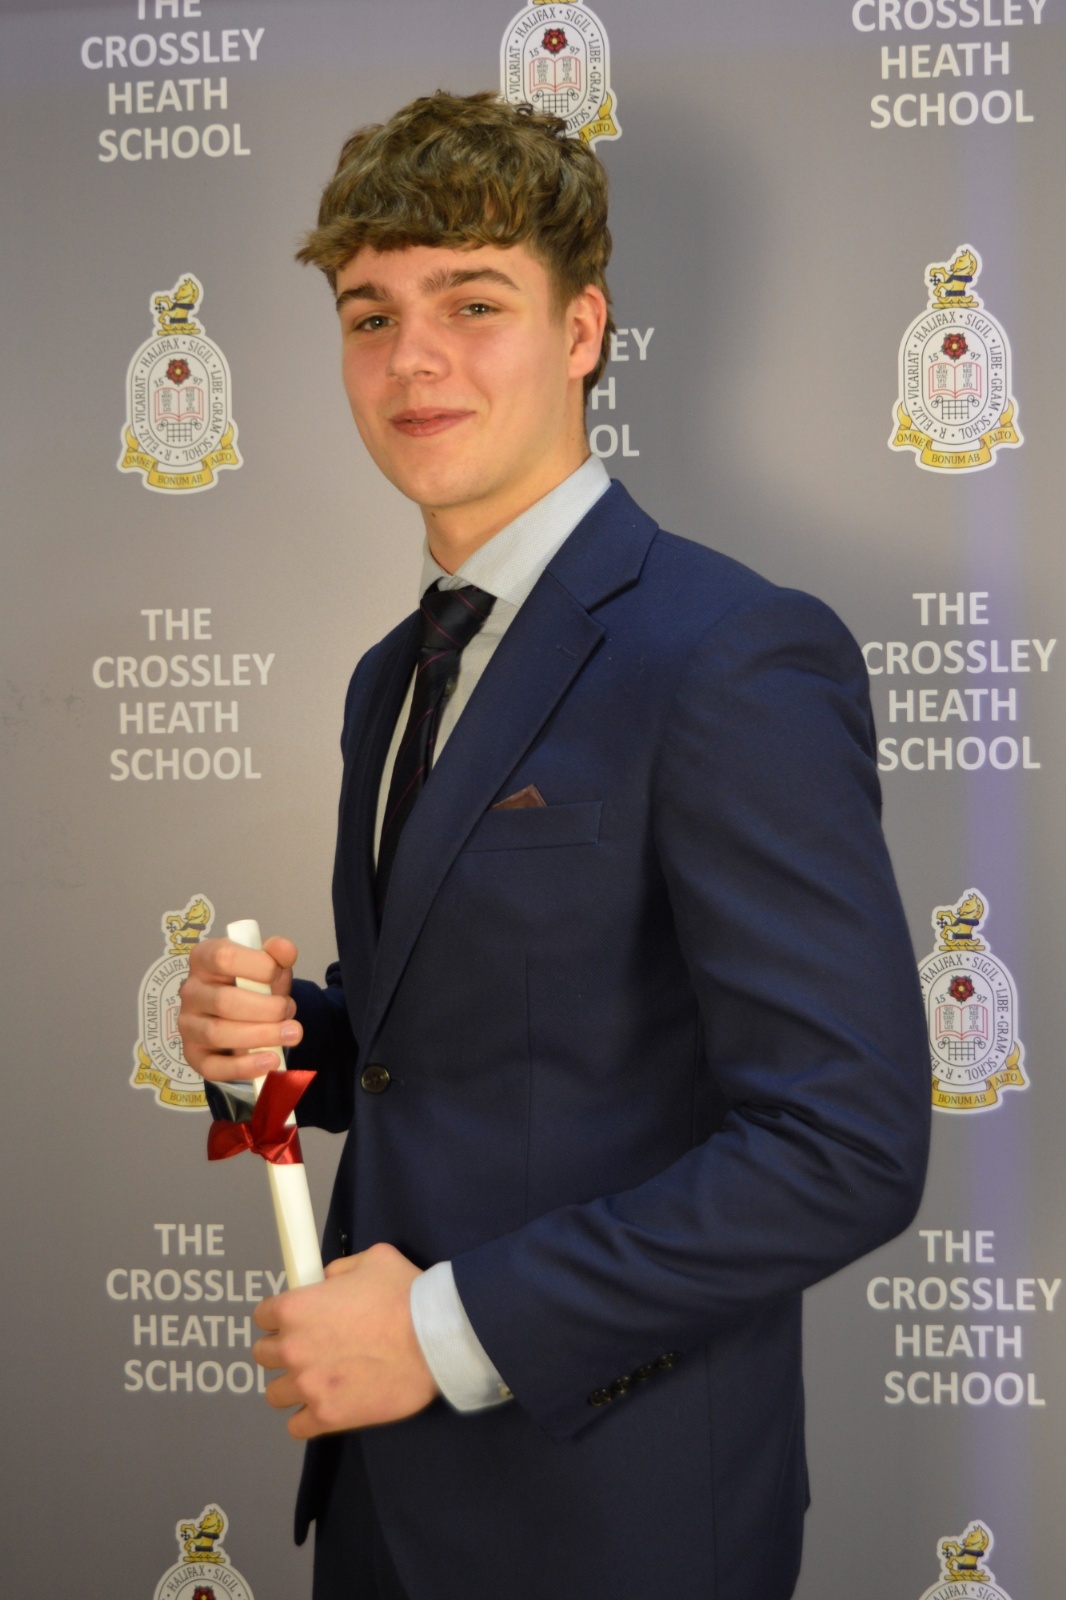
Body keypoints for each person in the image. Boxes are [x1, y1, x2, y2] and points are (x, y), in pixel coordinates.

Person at [178, 91, 929, 1600]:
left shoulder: (727, 652)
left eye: (473, 304)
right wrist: (278, 1043)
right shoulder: (393, 674)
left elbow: (842, 1147)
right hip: (382, 1499)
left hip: (611, 1520)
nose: (413, 359)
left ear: (581, 330)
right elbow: (453, 1053)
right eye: (370, 315)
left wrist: (438, 1332)